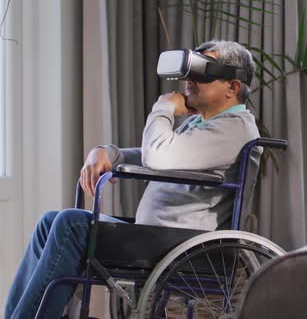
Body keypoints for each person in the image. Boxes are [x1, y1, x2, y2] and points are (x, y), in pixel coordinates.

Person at [4, 40, 259, 319]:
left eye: (201, 72)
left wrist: (163, 108)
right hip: (157, 236)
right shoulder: (204, 123)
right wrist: (107, 153)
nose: (188, 81)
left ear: (232, 87)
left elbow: (158, 157)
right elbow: (160, 155)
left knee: (70, 225)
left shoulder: (234, 128)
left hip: (184, 245)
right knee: (50, 223)